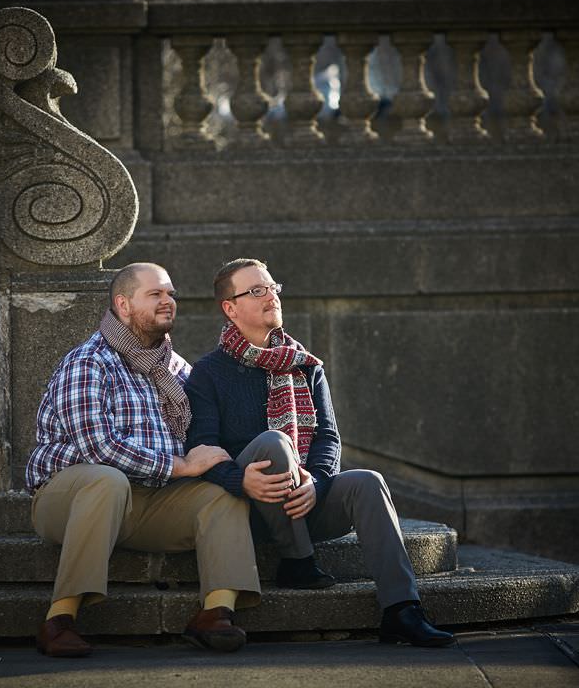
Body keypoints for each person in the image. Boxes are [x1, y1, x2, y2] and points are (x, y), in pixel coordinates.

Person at [183, 258, 455, 648]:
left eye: (273, 287)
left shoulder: (305, 365)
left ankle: (402, 610)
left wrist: (319, 480)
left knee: (368, 481)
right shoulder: (208, 373)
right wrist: (239, 479)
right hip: (250, 509)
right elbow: (201, 449)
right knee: (275, 442)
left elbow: (328, 437)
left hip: (306, 500)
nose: (270, 296)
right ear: (230, 307)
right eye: (256, 291)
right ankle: (297, 561)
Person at [27, 262, 261, 658]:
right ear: (123, 304)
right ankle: (59, 619)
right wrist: (181, 466)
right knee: (106, 478)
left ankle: (216, 612)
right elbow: (96, 448)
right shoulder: (88, 362)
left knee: (222, 495)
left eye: (170, 293)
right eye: (156, 294)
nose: (168, 301)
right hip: (69, 500)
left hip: (147, 503)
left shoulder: (176, 370)